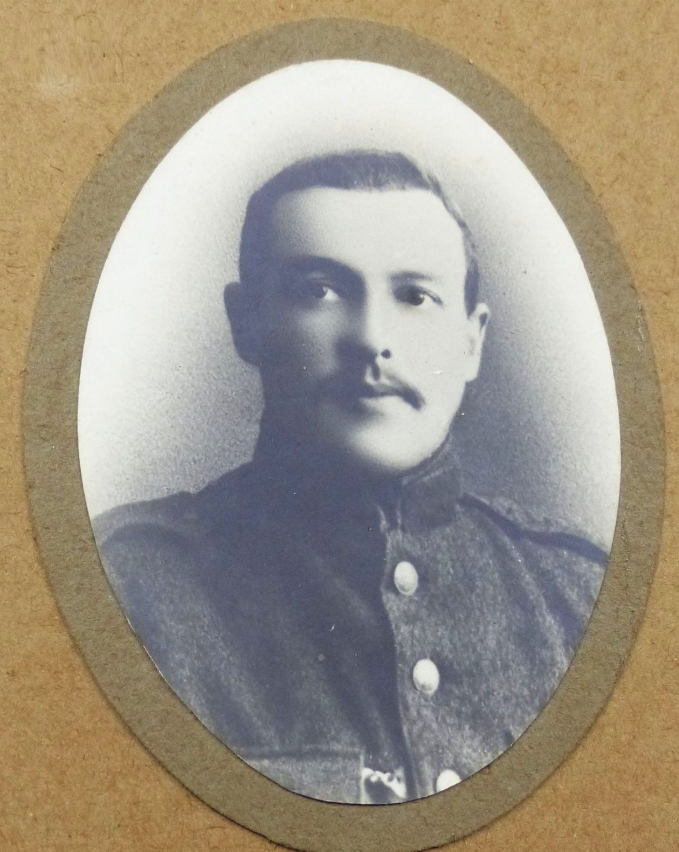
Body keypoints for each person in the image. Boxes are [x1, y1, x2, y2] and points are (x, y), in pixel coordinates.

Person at [95, 150, 607, 804]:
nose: (370, 338)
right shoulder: (127, 589)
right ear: (246, 323)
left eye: (414, 296)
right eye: (319, 291)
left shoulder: (575, 593)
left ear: (471, 342)